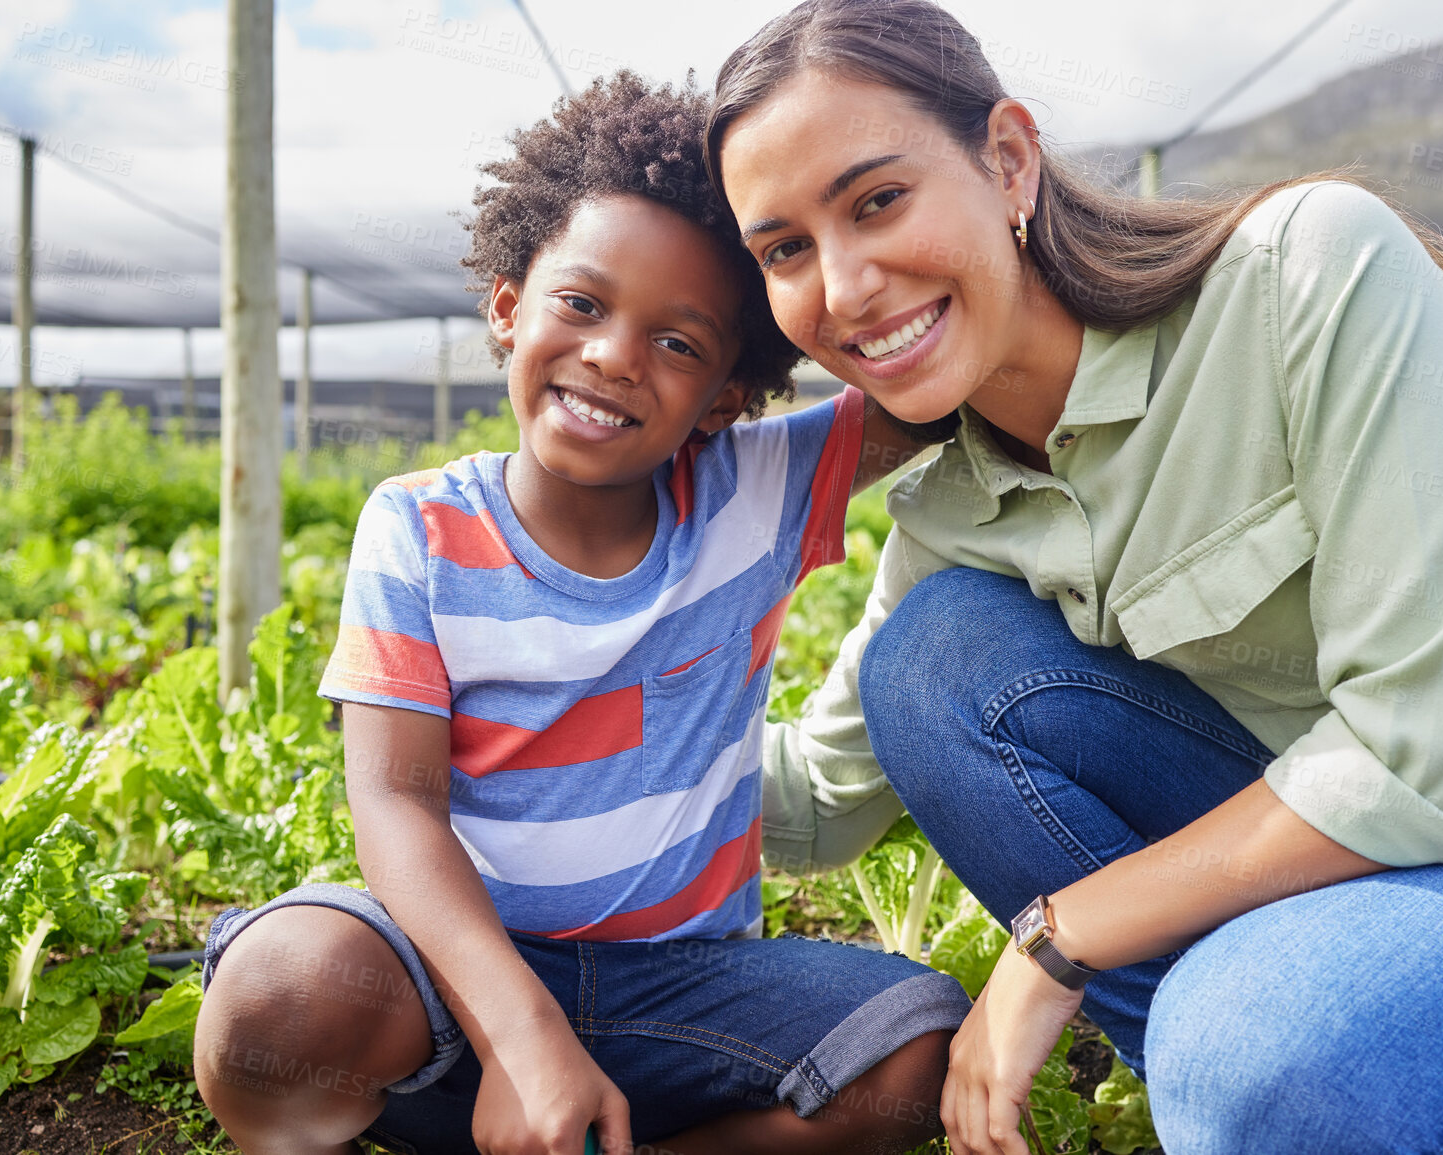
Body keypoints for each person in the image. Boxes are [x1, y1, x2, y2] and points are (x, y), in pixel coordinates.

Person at [705, 3, 1443, 1154]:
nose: (841, 287)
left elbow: (1430, 754)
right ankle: (1346, 1067)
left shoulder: (1308, 273)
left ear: (1007, 161)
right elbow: (819, 803)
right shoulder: (958, 510)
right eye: (785, 248)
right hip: (1386, 847)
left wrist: (1058, 938)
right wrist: (530, 752)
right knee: (937, 662)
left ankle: (1374, 1074)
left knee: (1245, 1060)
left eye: (877, 200)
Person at [191, 71, 967, 1155]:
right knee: (281, 1001)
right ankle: (511, 1102)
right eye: (583, 304)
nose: (614, 356)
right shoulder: (418, 530)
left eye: (681, 344)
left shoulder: (762, 493)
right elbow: (395, 804)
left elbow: (948, 369)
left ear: (729, 397)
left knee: (917, 1056)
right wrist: (521, 1035)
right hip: (460, 986)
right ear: (509, 309)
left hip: (685, 990)